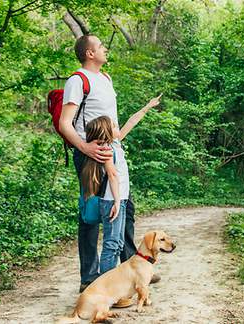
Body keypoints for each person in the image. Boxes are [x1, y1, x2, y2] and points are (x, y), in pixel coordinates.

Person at [59, 35, 161, 300]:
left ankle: (134, 267)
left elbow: (115, 124)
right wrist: (85, 148)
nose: (105, 48)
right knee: (91, 216)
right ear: (90, 53)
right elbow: (65, 123)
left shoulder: (105, 79)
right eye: (101, 46)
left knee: (125, 208)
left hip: (112, 151)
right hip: (91, 155)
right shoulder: (77, 80)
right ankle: (90, 280)